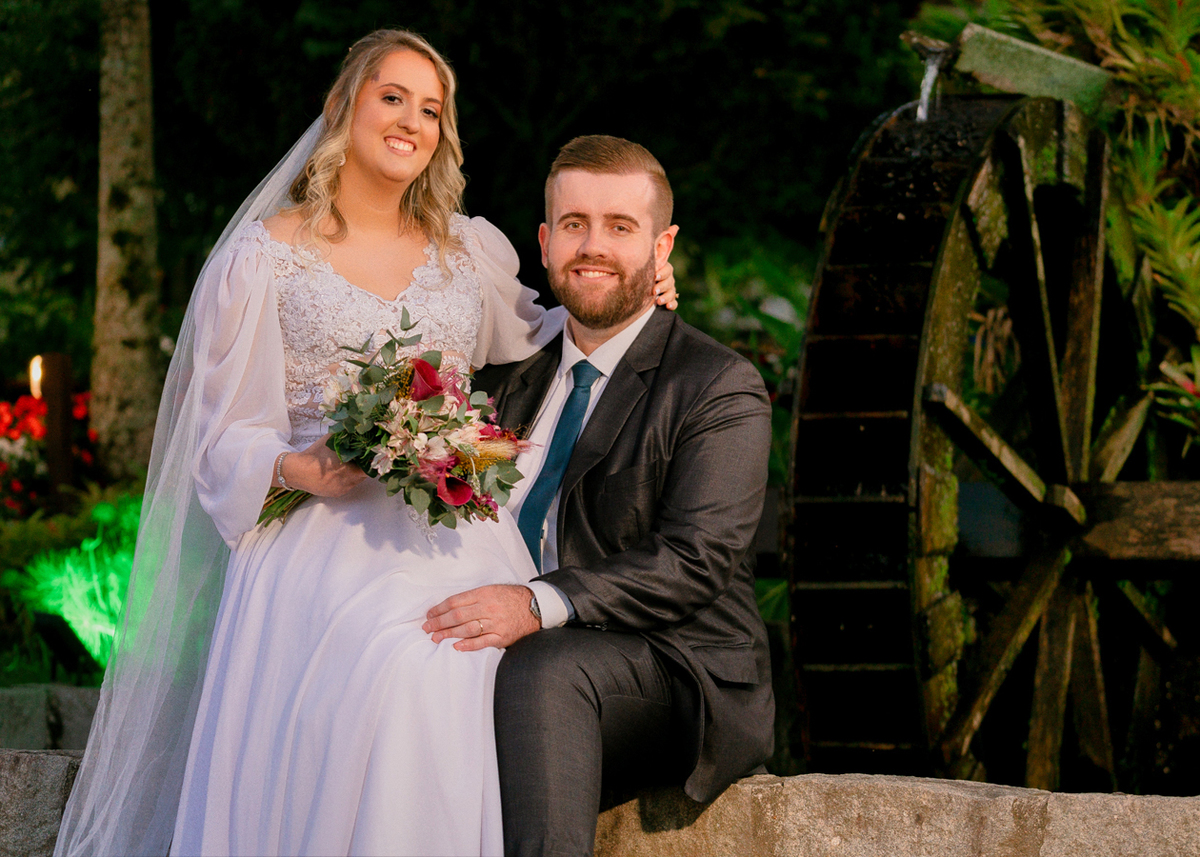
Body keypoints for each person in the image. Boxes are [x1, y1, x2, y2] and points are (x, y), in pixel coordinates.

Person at [54, 31, 676, 857]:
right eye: (393, 97)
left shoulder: (468, 251)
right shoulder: (262, 259)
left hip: (457, 529)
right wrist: (299, 465)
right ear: (343, 106)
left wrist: (632, 290)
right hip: (320, 535)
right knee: (398, 671)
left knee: (486, 669)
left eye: (432, 109)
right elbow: (219, 437)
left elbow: (546, 333)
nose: (413, 120)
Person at [423, 135, 775, 856]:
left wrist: (535, 604)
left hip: (674, 662)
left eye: (620, 226)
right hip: (519, 641)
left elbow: (696, 558)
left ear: (661, 245)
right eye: (575, 224)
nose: (594, 247)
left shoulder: (716, 384)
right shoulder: (507, 380)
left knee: (544, 671)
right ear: (545, 242)